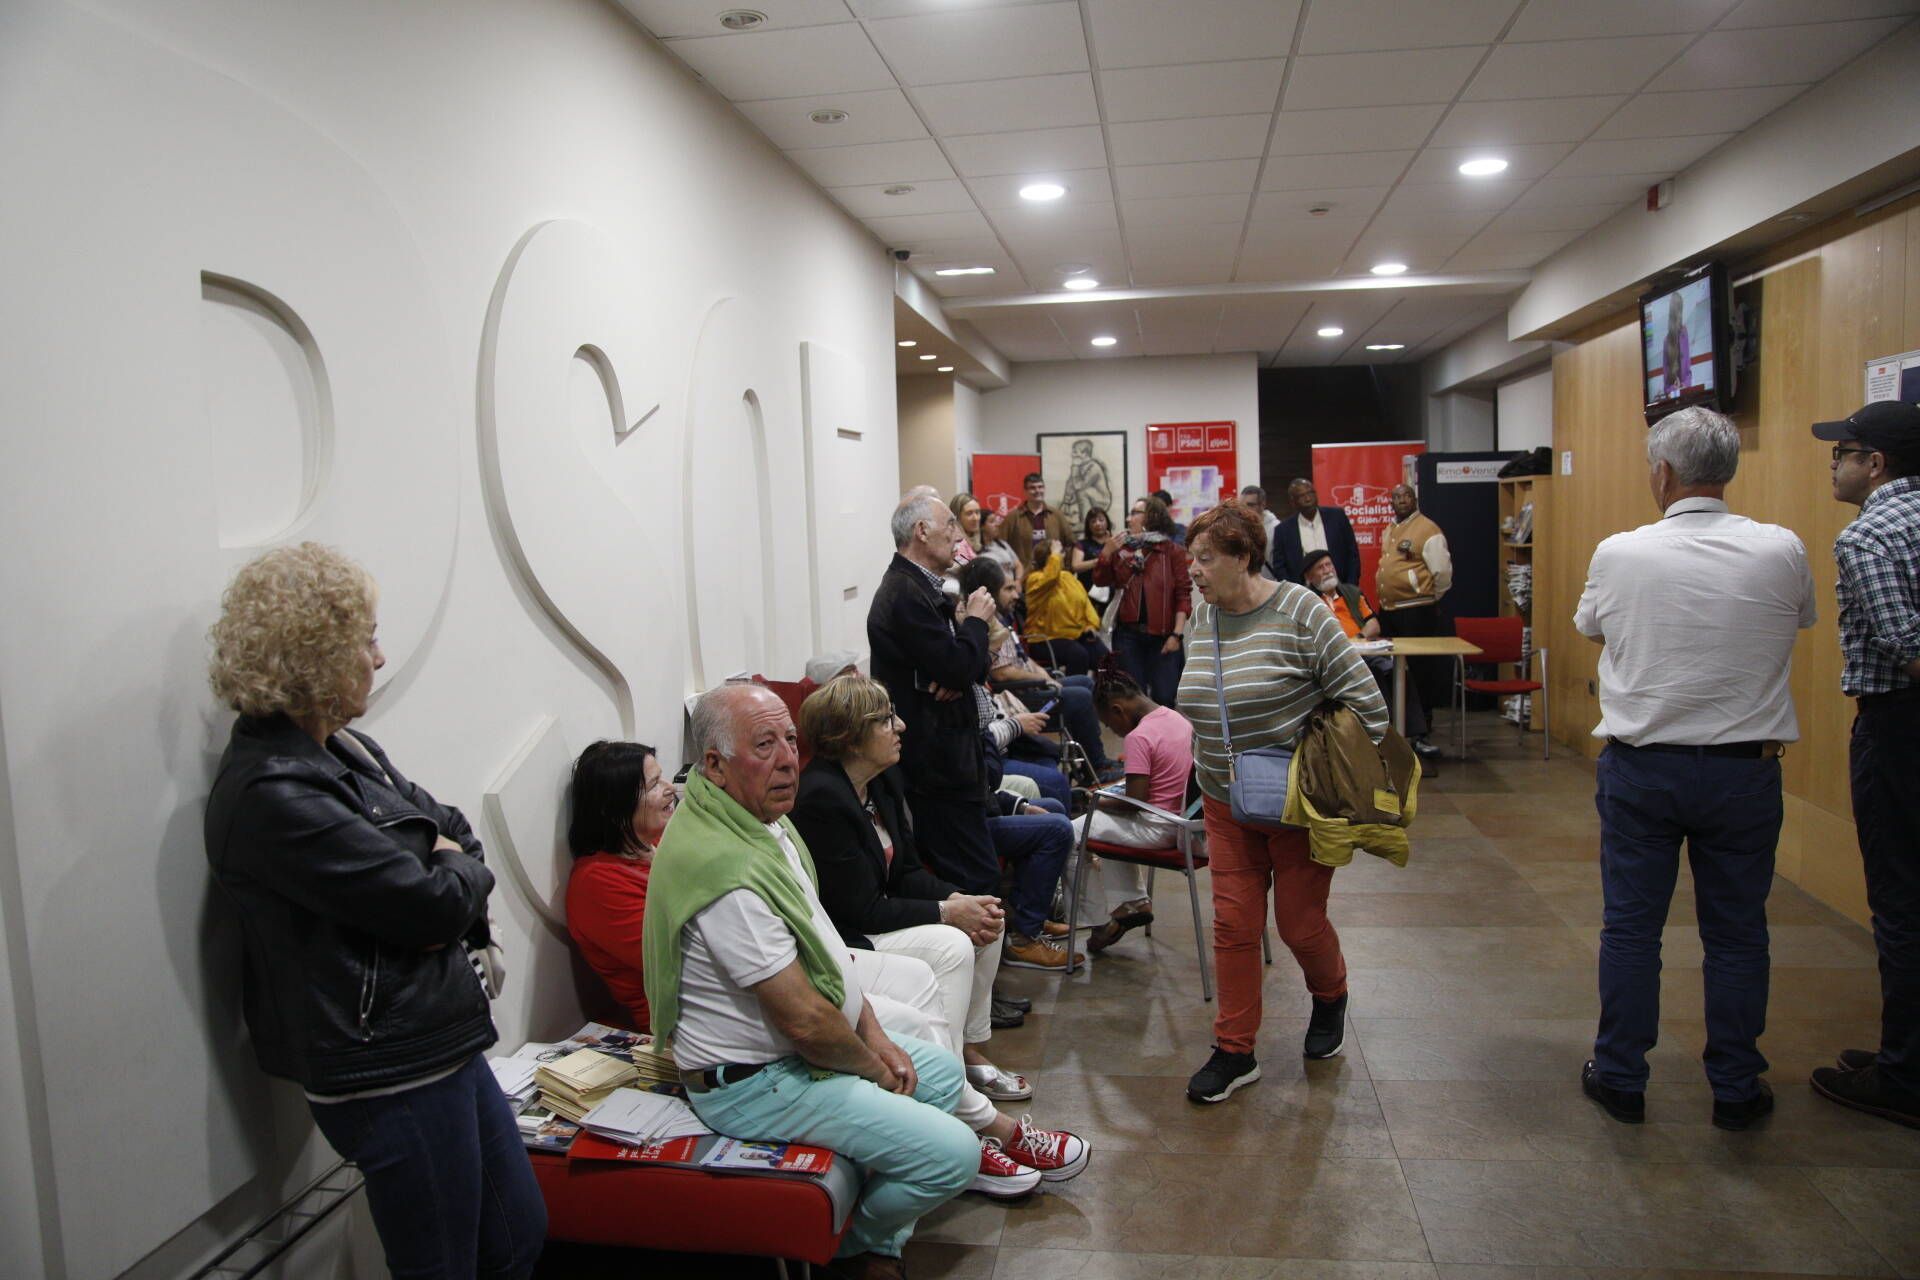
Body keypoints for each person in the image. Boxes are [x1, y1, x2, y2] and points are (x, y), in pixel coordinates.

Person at [203, 543, 544, 1279]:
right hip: (387, 1068)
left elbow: (452, 822)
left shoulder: (346, 752)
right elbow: (427, 904)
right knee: (445, 1264)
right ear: (314, 655)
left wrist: (452, 860)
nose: (380, 658)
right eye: (365, 640)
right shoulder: (273, 792)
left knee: (517, 1234)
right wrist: (451, 863)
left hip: (435, 1041)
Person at [642, 685, 977, 1279]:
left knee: (944, 1074)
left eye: (791, 740)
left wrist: (872, 1029)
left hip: (794, 1056)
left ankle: (876, 1242)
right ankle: (853, 1248)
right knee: (955, 1156)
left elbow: (825, 943)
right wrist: (875, 1068)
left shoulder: (757, 822)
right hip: (755, 1083)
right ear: (713, 765)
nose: (789, 759)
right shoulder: (723, 869)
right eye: (764, 745)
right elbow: (803, 1020)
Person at [1572, 407, 1816, 1133]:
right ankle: (1737, 1087)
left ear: (1663, 474)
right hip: (1746, 770)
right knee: (1739, 933)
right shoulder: (1782, 549)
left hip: (1644, 769)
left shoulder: (1621, 552)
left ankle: (1621, 1077)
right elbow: (1799, 619)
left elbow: (1591, 626)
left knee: (1631, 930)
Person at [790, 677, 1089, 1185]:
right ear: (851, 735)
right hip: (848, 935)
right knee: (953, 941)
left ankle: (966, 1055)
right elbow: (858, 908)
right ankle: (949, 1100)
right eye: (886, 719)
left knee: (984, 913)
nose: (901, 726)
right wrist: (944, 913)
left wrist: (956, 899)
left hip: (876, 913)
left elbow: (904, 869)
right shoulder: (822, 797)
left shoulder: (880, 781)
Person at [1175, 503, 1388, 1104]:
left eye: (1205, 558)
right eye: (1190, 557)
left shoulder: (1300, 612)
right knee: (1234, 926)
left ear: (1244, 557)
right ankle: (1235, 1050)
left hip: (1298, 805)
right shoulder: (1203, 616)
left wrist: (1341, 777)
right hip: (1223, 798)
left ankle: (1331, 993)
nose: (1193, 570)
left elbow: (1367, 703)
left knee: (1298, 924)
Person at [1808, 400, 1920, 1128]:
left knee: (1902, 900)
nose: (1834, 466)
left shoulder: (1870, 535)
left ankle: (1904, 1075)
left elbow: (1907, 646)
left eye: (1841, 453)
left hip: (1900, 730)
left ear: (1874, 463)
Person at [957, 555, 1118, 780]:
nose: (1016, 594)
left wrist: (1044, 675)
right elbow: (1001, 672)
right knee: (1080, 696)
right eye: (1009, 589)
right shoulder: (986, 622)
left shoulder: (1004, 617)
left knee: (1085, 682)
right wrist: (1043, 681)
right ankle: (1098, 767)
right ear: (991, 591)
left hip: (1032, 686)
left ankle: (1091, 761)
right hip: (1020, 697)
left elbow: (1021, 658)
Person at [1073, 661, 1196, 953]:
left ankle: (1101, 921)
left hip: (1158, 829)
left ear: (1118, 710)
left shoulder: (1138, 737)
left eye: (1107, 723)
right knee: (1103, 822)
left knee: (1069, 833)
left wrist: (1097, 798)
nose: (1111, 730)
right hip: (1187, 825)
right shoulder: (1177, 719)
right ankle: (1134, 901)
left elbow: (1134, 803)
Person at [565, 740, 679, 1031]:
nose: (669, 788)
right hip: (675, 1026)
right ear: (613, 807)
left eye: (662, 777)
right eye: (653, 785)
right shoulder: (595, 883)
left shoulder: (658, 839)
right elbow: (676, 960)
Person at [1302, 549, 1428, 744]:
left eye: (1329, 565)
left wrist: (1358, 637)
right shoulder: (1308, 601)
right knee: (1373, 674)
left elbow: (1373, 624)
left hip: (1364, 650)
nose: (1327, 570)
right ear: (1309, 577)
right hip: (1335, 659)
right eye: (1320, 568)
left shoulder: (1352, 593)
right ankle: (1383, 737)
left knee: (1398, 670)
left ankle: (1416, 737)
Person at [1374, 483, 1450, 760]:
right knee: (1394, 670)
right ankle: (1400, 727)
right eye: (1395, 497)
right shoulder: (1391, 529)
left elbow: (1441, 573)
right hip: (1390, 610)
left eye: (1405, 496)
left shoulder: (1428, 529)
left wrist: (1425, 595)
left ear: (1414, 499)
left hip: (1417, 609)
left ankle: (1422, 730)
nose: (1401, 500)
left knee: (1419, 670)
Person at [1095, 495, 1191, 706]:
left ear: (1152, 516)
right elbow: (1100, 581)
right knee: (1134, 698)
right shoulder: (1123, 549)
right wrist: (1106, 554)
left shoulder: (1172, 551)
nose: (1129, 519)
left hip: (1164, 636)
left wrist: (1177, 634)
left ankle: (1164, 739)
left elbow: (1183, 593)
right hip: (1128, 636)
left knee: (1165, 696)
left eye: (1135, 513)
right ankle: (1142, 739)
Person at [1025, 538, 1111, 676]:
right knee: (1079, 655)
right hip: (1044, 639)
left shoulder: (1067, 576)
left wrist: (1090, 625)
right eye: (1058, 554)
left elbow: (1085, 604)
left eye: (1061, 553)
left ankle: (1107, 694)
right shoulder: (1034, 579)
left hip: (1075, 635)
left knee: (1104, 657)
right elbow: (1050, 578)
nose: (1062, 556)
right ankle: (1078, 693)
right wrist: (1055, 553)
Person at [1270, 478, 1360, 586]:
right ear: (1293, 502)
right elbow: (1280, 568)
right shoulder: (1283, 530)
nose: (1308, 498)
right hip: (1304, 593)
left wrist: (1350, 586)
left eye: (1311, 493)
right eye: (1301, 496)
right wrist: (1295, 593)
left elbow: (1352, 555)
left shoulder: (1337, 517)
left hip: (1340, 588)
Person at [1008, 472, 1071, 573]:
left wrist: (1066, 568)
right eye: (1032, 488)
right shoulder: (1013, 517)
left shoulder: (1057, 515)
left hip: (1054, 574)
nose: (1037, 491)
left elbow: (1069, 544)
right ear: (1025, 491)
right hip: (1025, 576)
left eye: (1040, 487)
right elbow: (1002, 545)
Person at [1059, 437, 1113, 533]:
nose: (1072, 454)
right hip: (1090, 497)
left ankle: (1084, 523)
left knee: (1082, 492)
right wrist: (1066, 502)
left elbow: (1079, 486)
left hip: (1101, 500)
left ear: (1084, 454)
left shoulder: (1094, 467)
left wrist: (1074, 467)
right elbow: (1070, 484)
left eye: (1075, 452)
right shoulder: (1081, 466)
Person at [1071, 507, 1112, 597]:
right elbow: (1075, 566)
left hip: (1111, 592)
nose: (1098, 524)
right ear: (1088, 526)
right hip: (1086, 591)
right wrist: (1099, 561)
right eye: (1093, 521)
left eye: (1101, 520)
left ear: (1107, 522)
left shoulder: (1113, 542)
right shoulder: (1082, 544)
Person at [978, 507, 1022, 579]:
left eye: (996, 521)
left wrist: (1018, 581)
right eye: (992, 521)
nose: (997, 524)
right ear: (982, 526)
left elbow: (1018, 565)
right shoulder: (978, 549)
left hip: (1011, 586)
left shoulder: (1003, 544)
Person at [948, 492, 982, 569]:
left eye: (977, 512)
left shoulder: (970, 539)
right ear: (957, 517)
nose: (975, 518)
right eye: (969, 513)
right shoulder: (957, 543)